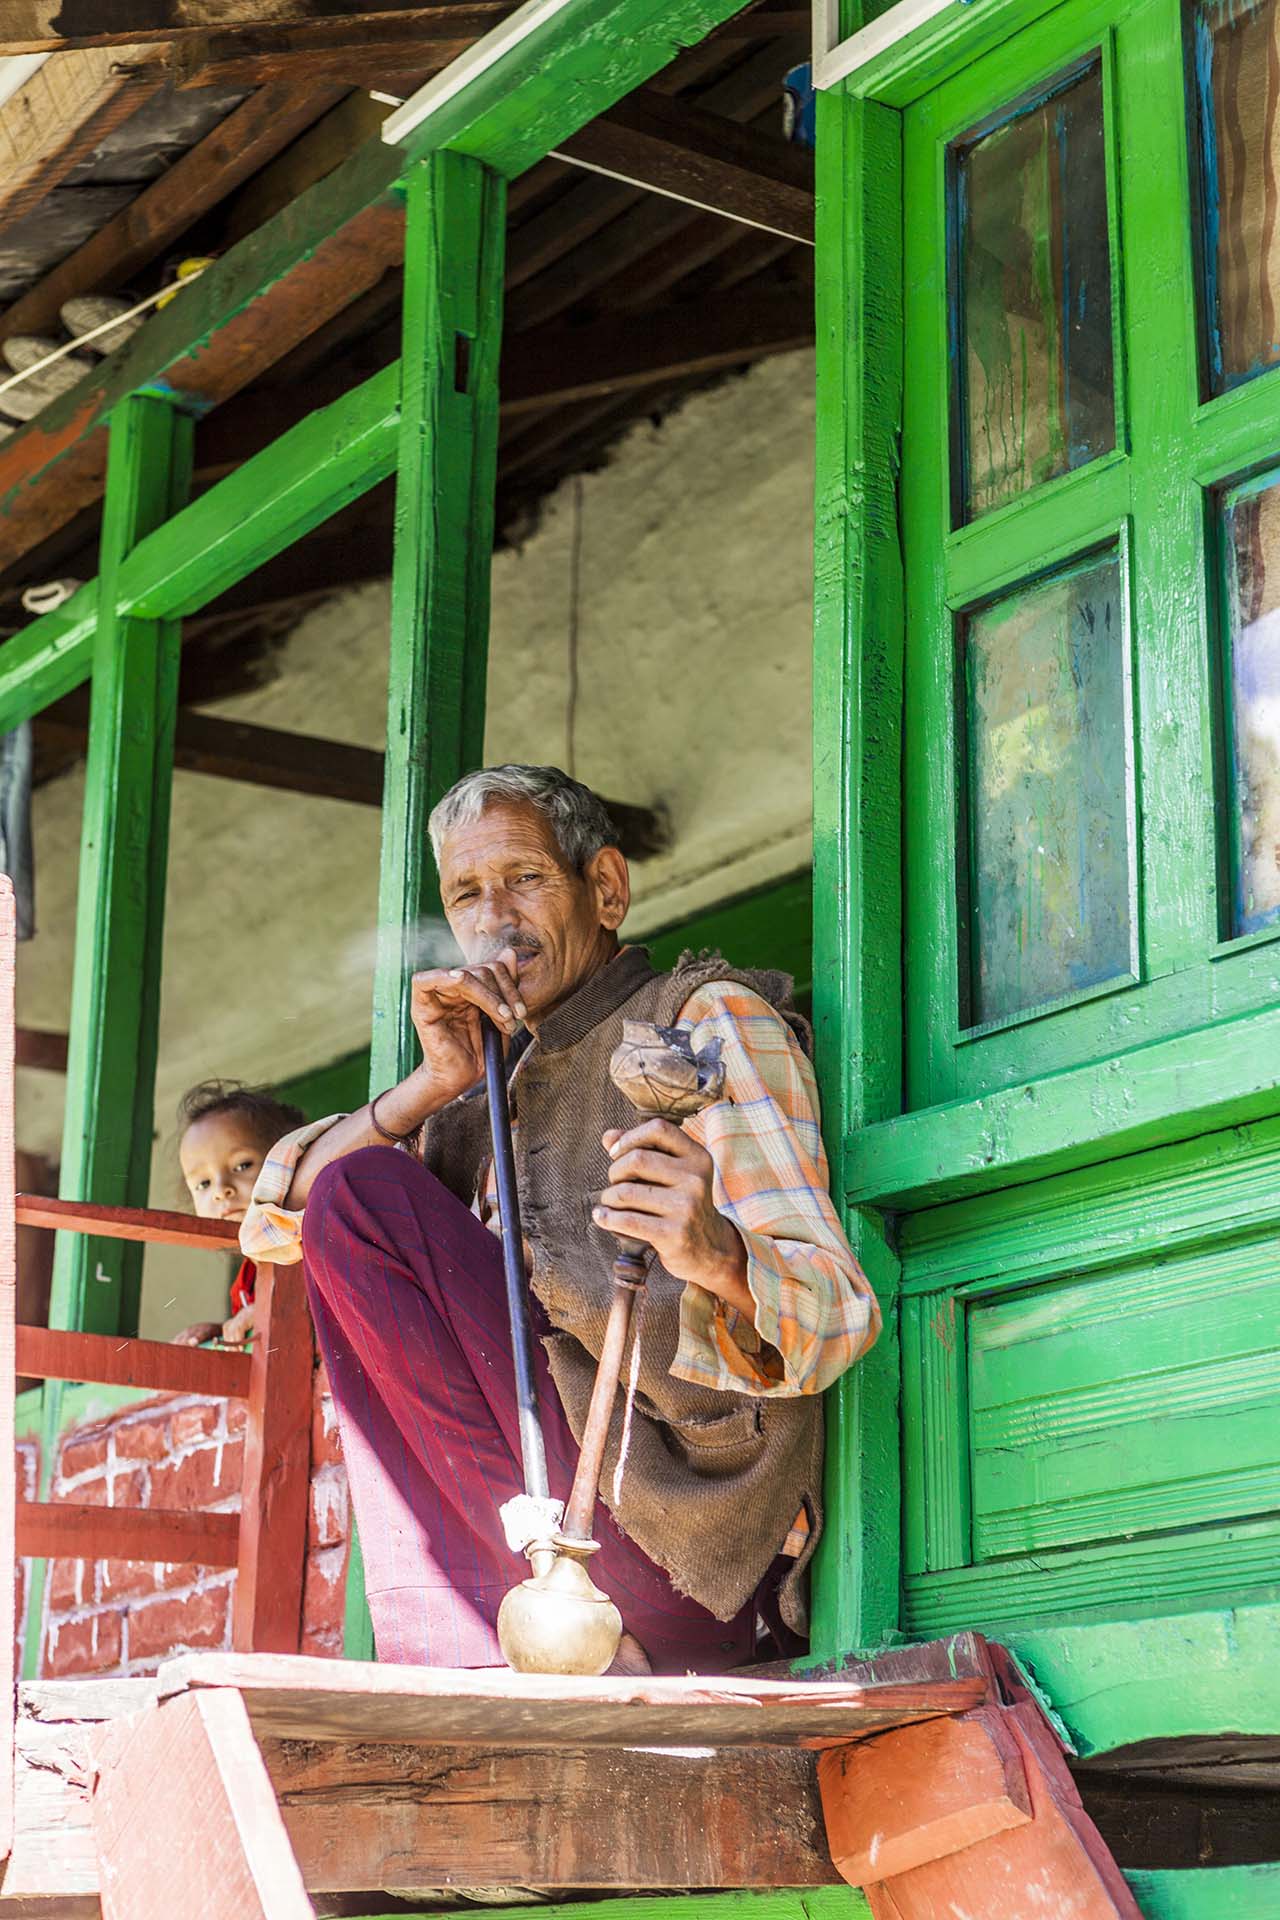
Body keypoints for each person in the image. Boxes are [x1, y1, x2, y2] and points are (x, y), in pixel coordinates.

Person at [241, 765, 879, 1673]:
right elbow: (279, 1226)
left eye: (525, 878)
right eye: (466, 894)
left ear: (606, 889)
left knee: (365, 1198)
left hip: (690, 1546)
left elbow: (836, 1320)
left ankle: (546, 1631)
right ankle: (478, 1648)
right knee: (357, 1199)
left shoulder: (703, 1023)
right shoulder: (476, 1088)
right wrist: (431, 1087)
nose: (493, 917)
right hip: (556, 1560)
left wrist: (718, 1256)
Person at [171, 1080, 304, 1347]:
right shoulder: (246, 1281)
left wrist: (272, 1313)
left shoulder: (311, 1243)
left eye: (242, 1165)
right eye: (203, 1184)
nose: (221, 1191)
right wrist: (221, 1332)